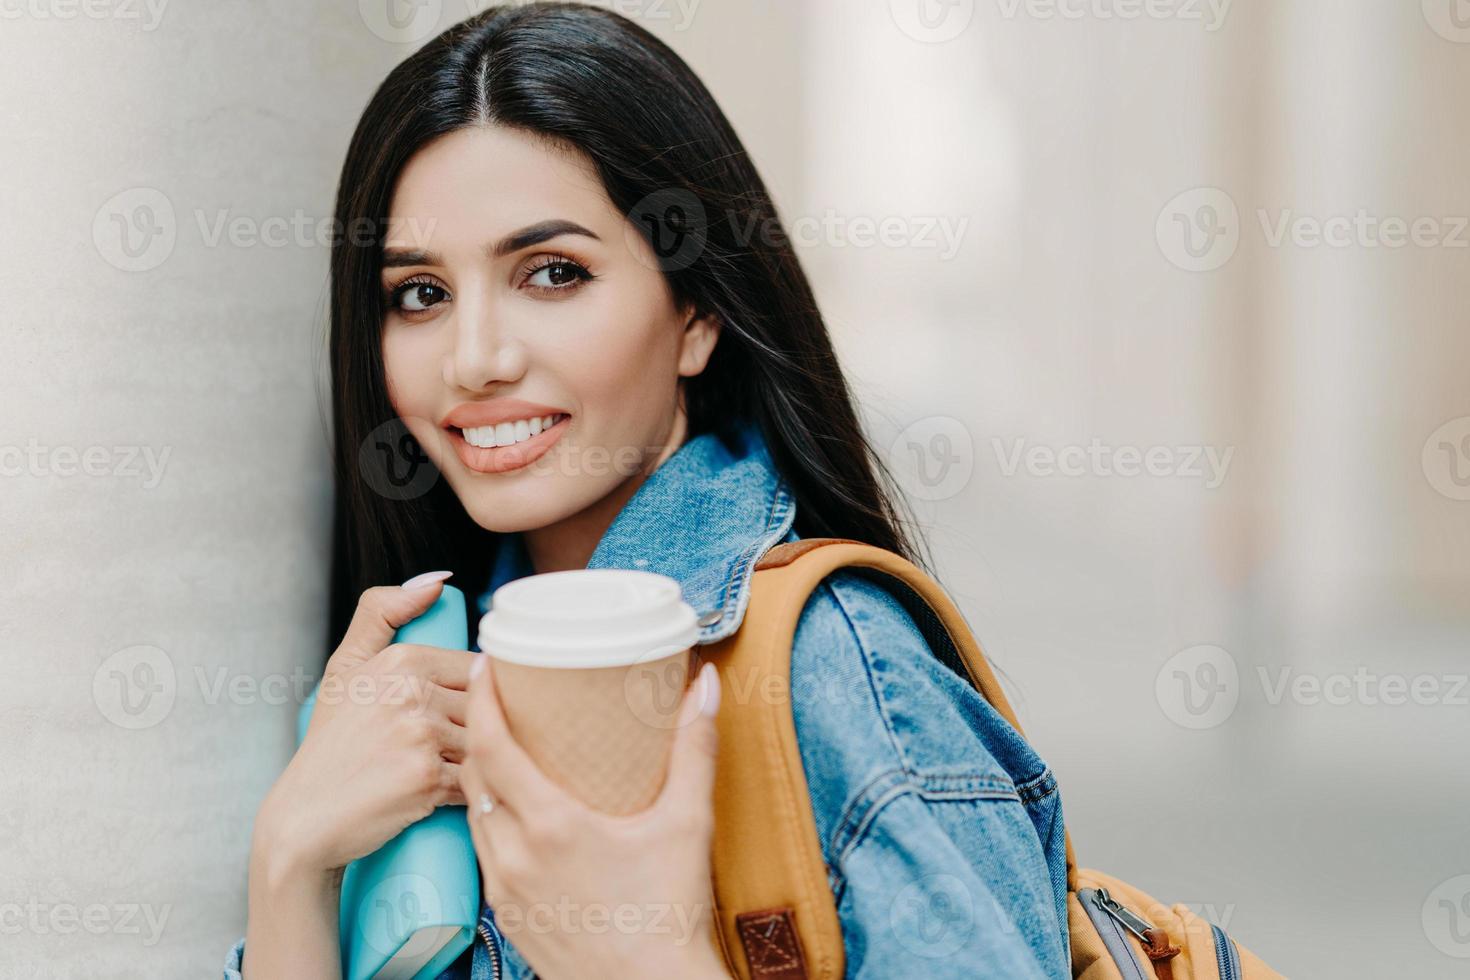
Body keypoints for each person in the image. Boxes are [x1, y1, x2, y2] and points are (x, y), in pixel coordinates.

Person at [225, 4, 1070, 977]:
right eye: (420, 292)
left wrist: (646, 956)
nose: (474, 358)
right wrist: (290, 858)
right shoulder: (425, 679)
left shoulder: (832, 669)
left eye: (551, 272)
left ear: (697, 316)